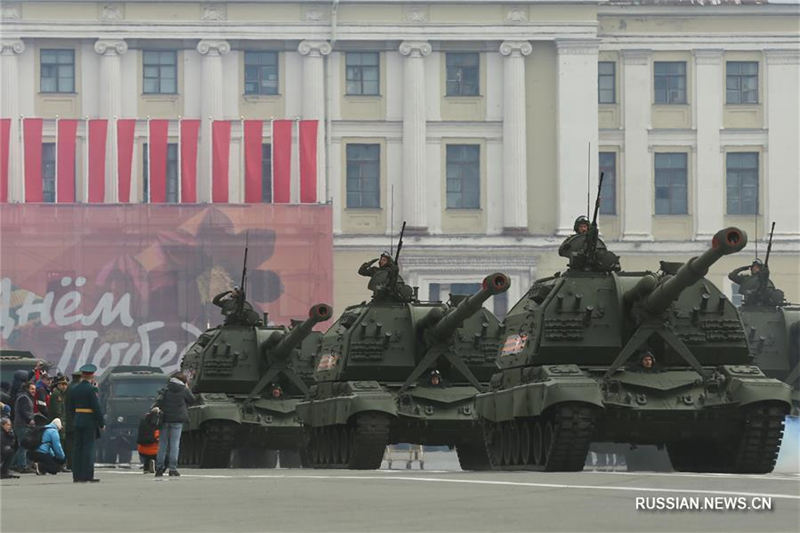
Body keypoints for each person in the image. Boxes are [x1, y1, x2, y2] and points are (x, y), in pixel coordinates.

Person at [67, 364, 104, 483]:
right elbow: (96, 407)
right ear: (92, 375)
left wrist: (76, 417)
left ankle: (77, 476)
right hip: (89, 421)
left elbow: (70, 407)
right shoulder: (91, 389)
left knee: (77, 448)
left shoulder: (74, 389)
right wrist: (101, 422)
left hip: (78, 419)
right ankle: (87, 475)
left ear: (82, 374)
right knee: (88, 448)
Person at [153, 373, 195, 477]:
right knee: (174, 444)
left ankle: (159, 468)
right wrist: (187, 388)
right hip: (177, 420)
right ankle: (172, 469)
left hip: (165, 419)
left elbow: (158, 402)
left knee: (162, 445)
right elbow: (192, 400)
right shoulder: (183, 390)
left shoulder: (166, 389)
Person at [11, 382, 35, 472]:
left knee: (22, 446)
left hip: (21, 424)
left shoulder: (25, 397)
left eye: (34, 389)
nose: (34, 391)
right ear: (27, 389)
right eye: (32, 389)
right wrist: (30, 420)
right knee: (23, 446)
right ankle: (22, 466)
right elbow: (24, 411)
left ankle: (13, 464)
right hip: (22, 425)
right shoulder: (24, 398)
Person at [63, 370, 82, 470]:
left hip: (68, 419)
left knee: (69, 444)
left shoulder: (68, 388)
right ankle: (76, 464)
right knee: (77, 443)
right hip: (77, 419)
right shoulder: (78, 388)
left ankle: (70, 463)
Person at [136, 409, 161, 474]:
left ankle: (146, 468)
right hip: (154, 451)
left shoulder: (142, 423)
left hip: (142, 450)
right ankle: (156, 466)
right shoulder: (157, 425)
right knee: (158, 453)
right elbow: (157, 437)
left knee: (146, 457)